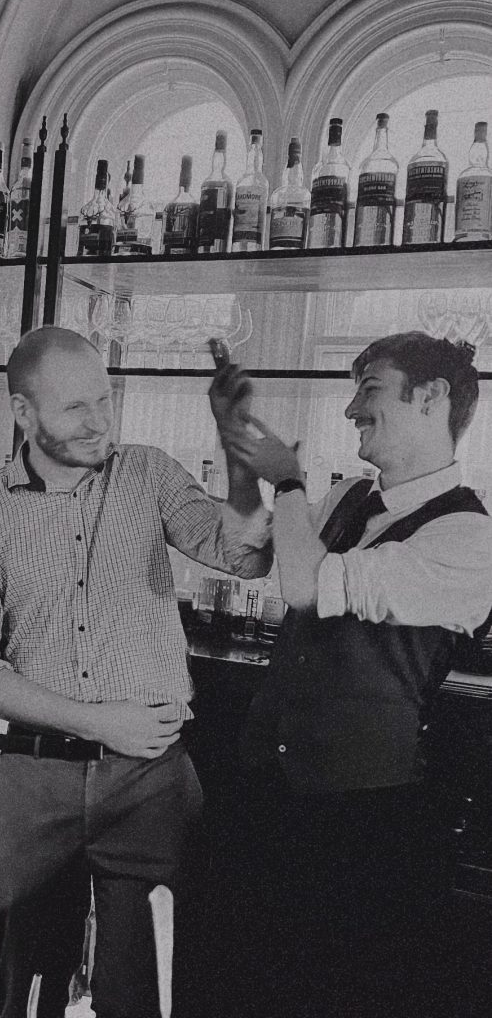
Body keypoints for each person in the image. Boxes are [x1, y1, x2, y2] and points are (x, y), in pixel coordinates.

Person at [0, 324, 273, 1018]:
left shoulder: (148, 474)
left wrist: (238, 449)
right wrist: (97, 722)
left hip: (153, 784)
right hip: (31, 788)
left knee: (143, 993)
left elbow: (245, 556)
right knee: (28, 993)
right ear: (24, 412)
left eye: (104, 401)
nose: (98, 422)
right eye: (74, 408)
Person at [210, 330, 492, 1018]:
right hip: (269, 792)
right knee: (244, 988)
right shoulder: (349, 498)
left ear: (431, 398)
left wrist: (287, 478)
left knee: (334, 994)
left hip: (366, 823)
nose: (349, 410)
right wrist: (238, 452)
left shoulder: (470, 537)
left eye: (369, 390)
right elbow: (248, 553)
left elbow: (308, 586)